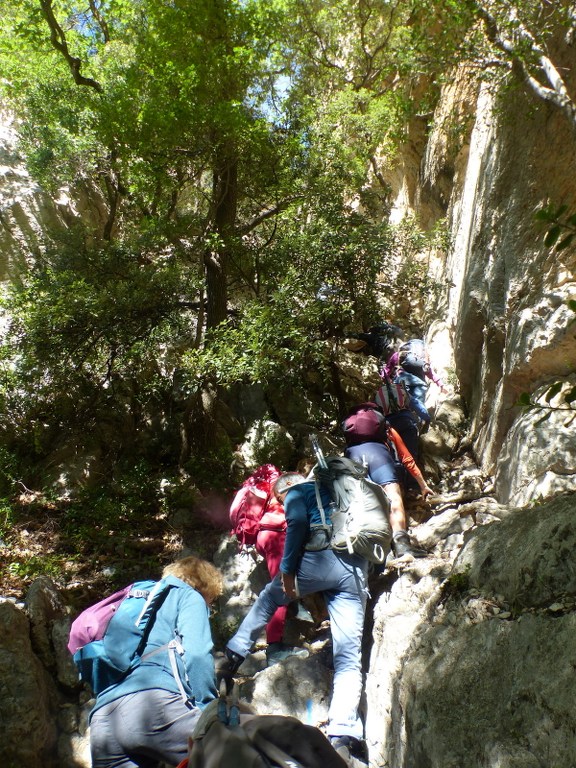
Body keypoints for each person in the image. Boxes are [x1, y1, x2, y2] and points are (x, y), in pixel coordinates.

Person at [217, 471, 370, 763]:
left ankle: (232, 656)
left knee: (268, 599)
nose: (280, 503)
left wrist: (287, 569)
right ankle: (344, 734)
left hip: (316, 562)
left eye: (279, 498)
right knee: (348, 657)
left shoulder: (300, 490)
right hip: (354, 566)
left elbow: (298, 522)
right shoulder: (338, 490)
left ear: (287, 487)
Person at [89, 555, 223, 768]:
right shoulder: (188, 595)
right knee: (229, 754)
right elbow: (197, 654)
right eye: (212, 599)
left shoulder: (138, 602)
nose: (211, 604)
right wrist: (207, 711)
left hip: (103, 720)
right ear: (205, 586)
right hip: (154, 706)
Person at [343, 411, 434, 559]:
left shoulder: (352, 435)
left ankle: (371, 550)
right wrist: (422, 485)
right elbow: (407, 458)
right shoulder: (387, 429)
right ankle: (402, 546)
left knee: (361, 503)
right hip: (379, 456)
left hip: (353, 457)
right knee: (394, 499)